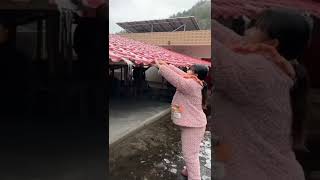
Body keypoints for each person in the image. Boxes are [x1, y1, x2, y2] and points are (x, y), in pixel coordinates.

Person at [212, 8, 311, 180]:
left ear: (272, 43)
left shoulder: (259, 71)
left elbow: (213, 52)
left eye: (255, 27)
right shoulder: (272, 67)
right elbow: (230, 38)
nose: (247, 30)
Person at [154, 60, 209, 180]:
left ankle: (195, 177)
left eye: (190, 70)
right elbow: (181, 74)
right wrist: (168, 65)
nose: (187, 71)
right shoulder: (195, 81)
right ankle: (189, 171)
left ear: (195, 75)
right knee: (191, 152)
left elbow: (176, 79)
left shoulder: (191, 85)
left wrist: (162, 68)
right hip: (193, 124)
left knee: (190, 154)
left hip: (194, 126)